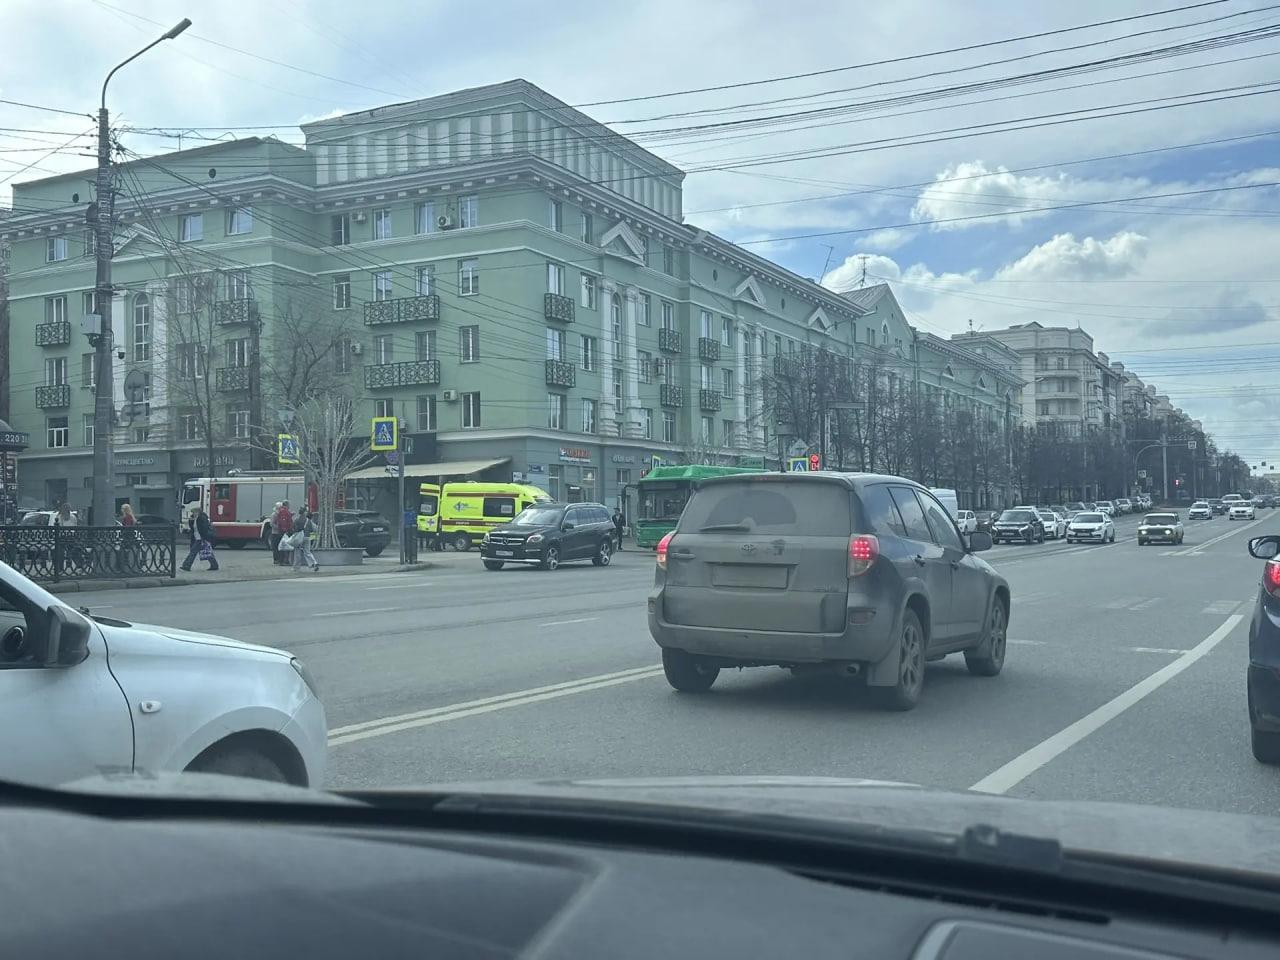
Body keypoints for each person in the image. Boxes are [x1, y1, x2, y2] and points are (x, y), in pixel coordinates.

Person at [180, 506, 219, 572]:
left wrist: (204, 537)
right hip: (198, 537)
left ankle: (186, 565)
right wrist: (191, 520)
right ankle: (214, 565)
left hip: (201, 538)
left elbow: (204, 528)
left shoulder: (201, 518)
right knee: (207, 551)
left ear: (197, 512)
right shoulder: (196, 518)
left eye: (193, 512)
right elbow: (193, 528)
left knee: (193, 552)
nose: (192, 513)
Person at [291, 507, 319, 572]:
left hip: (299, 538)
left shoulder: (296, 520)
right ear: (304, 512)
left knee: (297, 552)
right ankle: (314, 563)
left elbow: (294, 528)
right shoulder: (308, 520)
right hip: (307, 537)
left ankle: (296, 567)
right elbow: (313, 529)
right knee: (307, 552)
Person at [273, 500, 293, 565]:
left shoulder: (282, 511)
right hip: (284, 532)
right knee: (284, 546)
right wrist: (286, 530)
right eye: (289, 505)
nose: (289, 506)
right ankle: (283, 561)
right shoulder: (284, 511)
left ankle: (283, 560)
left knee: (283, 546)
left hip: (282, 531)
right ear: (286, 505)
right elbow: (284, 521)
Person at [268, 501, 285, 565]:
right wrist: (279, 527)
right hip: (275, 533)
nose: (281, 509)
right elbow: (271, 524)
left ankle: (279, 559)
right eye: (280, 507)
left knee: (279, 547)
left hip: (279, 533)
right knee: (275, 547)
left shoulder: (280, 514)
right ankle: (276, 560)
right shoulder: (274, 515)